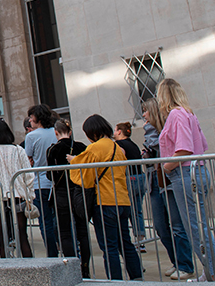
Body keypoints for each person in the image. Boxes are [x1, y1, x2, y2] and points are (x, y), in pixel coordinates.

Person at [158, 78, 215, 281]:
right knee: (198, 225)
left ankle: (214, 271)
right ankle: (212, 270)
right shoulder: (188, 114)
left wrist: (166, 166)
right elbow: (201, 145)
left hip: (185, 173)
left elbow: (184, 149)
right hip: (194, 172)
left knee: (195, 226)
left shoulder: (176, 114)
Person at [69, 115, 142, 281]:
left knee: (109, 247)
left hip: (105, 201)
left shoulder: (95, 148)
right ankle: (137, 278)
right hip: (122, 200)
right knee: (126, 243)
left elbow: (83, 176)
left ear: (92, 133)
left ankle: (114, 282)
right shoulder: (116, 147)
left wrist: (73, 161)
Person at [141, 98, 194, 280]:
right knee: (160, 226)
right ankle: (176, 261)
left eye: (146, 111)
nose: (143, 115)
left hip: (169, 176)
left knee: (177, 224)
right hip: (155, 178)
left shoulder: (164, 125)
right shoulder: (153, 129)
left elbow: (163, 147)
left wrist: (150, 134)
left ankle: (185, 264)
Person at [0, 118, 35, 259]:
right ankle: (32, 270)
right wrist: (29, 196)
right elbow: (29, 175)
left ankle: (6, 273)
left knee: (3, 239)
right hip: (18, 196)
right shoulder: (18, 150)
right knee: (22, 236)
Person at [46, 119, 90, 277]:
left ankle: (72, 267)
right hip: (79, 190)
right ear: (70, 131)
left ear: (56, 132)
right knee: (82, 231)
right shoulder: (81, 147)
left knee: (65, 231)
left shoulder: (53, 150)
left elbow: (50, 174)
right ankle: (85, 267)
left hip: (62, 192)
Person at [23, 104, 58, 257]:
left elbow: (28, 157)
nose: (30, 120)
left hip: (40, 182)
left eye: (31, 117)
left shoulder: (32, 136)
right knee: (58, 219)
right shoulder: (55, 132)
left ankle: (52, 254)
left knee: (45, 222)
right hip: (56, 181)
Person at [114, 122, 146, 249]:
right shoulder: (133, 144)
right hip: (140, 177)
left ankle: (130, 240)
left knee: (128, 210)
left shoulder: (119, 145)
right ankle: (140, 240)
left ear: (120, 132)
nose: (114, 133)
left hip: (129, 178)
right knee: (137, 210)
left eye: (115, 130)